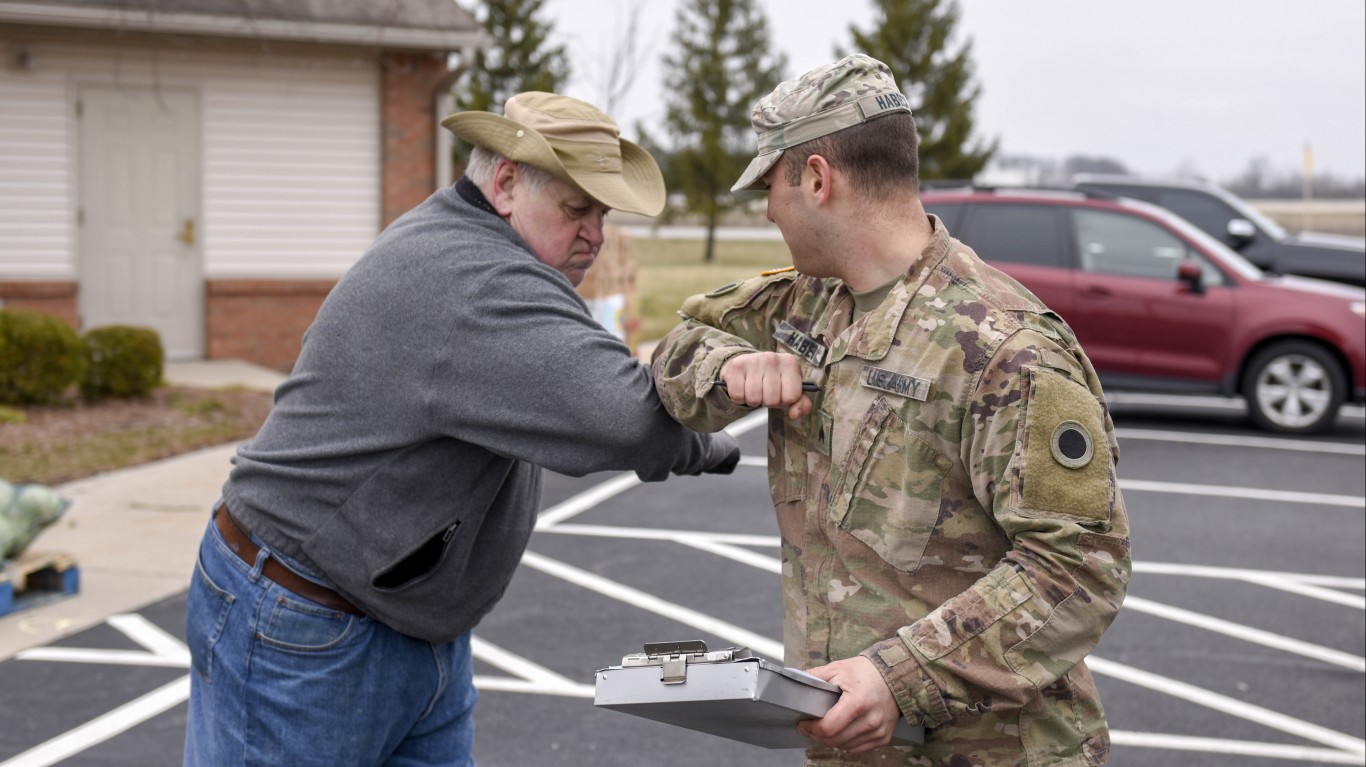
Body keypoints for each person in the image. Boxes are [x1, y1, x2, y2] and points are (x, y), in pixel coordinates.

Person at [182, 91, 741, 767]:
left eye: (602, 211)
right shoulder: (474, 278)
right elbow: (626, 419)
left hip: (400, 621)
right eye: (576, 208)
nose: (595, 232)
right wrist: (710, 440)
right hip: (302, 620)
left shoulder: (477, 250)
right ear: (506, 183)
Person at [650, 55, 1131, 766]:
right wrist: (727, 367)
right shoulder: (805, 302)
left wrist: (897, 676)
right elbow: (676, 345)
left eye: (772, 187)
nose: (769, 210)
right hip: (856, 747)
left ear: (816, 179)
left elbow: (1080, 568)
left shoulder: (1003, 346)